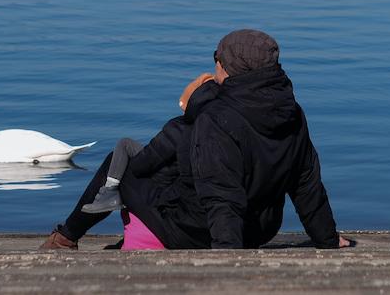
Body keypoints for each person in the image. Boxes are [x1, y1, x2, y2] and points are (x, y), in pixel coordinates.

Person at [41, 29, 350, 250]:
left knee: (119, 164)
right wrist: (325, 238)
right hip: (260, 230)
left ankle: (66, 237)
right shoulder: (292, 112)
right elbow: (306, 183)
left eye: (217, 59)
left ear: (228, 69)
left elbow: (221, 195)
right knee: (172, 162)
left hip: (202, 231)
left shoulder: (218, 119)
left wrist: (226, 258)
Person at [81, 74, 214, 214]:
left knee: (123, 147)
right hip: (187, 189)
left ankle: (109, 192)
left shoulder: (179, 127)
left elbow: (144, 164)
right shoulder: (214, 128)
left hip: (163, 188)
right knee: (120, 159)